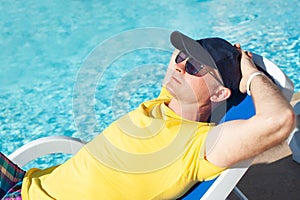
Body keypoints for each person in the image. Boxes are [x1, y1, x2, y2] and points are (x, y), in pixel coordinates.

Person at [0, 31, 295, 200]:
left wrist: (251, 75)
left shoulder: (200, 146)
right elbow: (179, 66)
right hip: (27, 182)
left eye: (195, 67)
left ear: (219, 95)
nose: (180, 66)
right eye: (182, 57)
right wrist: (227, 55)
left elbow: (278, 122)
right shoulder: (165, 102)